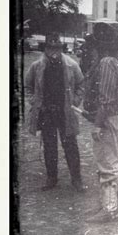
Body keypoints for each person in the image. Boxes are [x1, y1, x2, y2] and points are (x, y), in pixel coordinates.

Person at [25, 32, 86, 192]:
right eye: (50, 48)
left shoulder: (71, 65)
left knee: (71, 146)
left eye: (57, 48)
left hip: (65, 112)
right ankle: (52, 178)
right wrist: (35, 102)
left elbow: (81, 85)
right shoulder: (36, 66)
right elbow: (28, 87)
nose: (54, 52)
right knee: (50, 146)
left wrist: (75, 101)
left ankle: (76, 179)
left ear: (61, 48)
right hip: (46, 113)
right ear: (45, 49)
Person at [83, 23, 118, 223]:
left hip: (108, 118)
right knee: (106, 161)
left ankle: (109, 208)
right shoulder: (115, 62)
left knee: (107, 164)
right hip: (112, 116)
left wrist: (98, 124)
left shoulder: (107, 63)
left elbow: (106, 98)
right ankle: (106, 205)